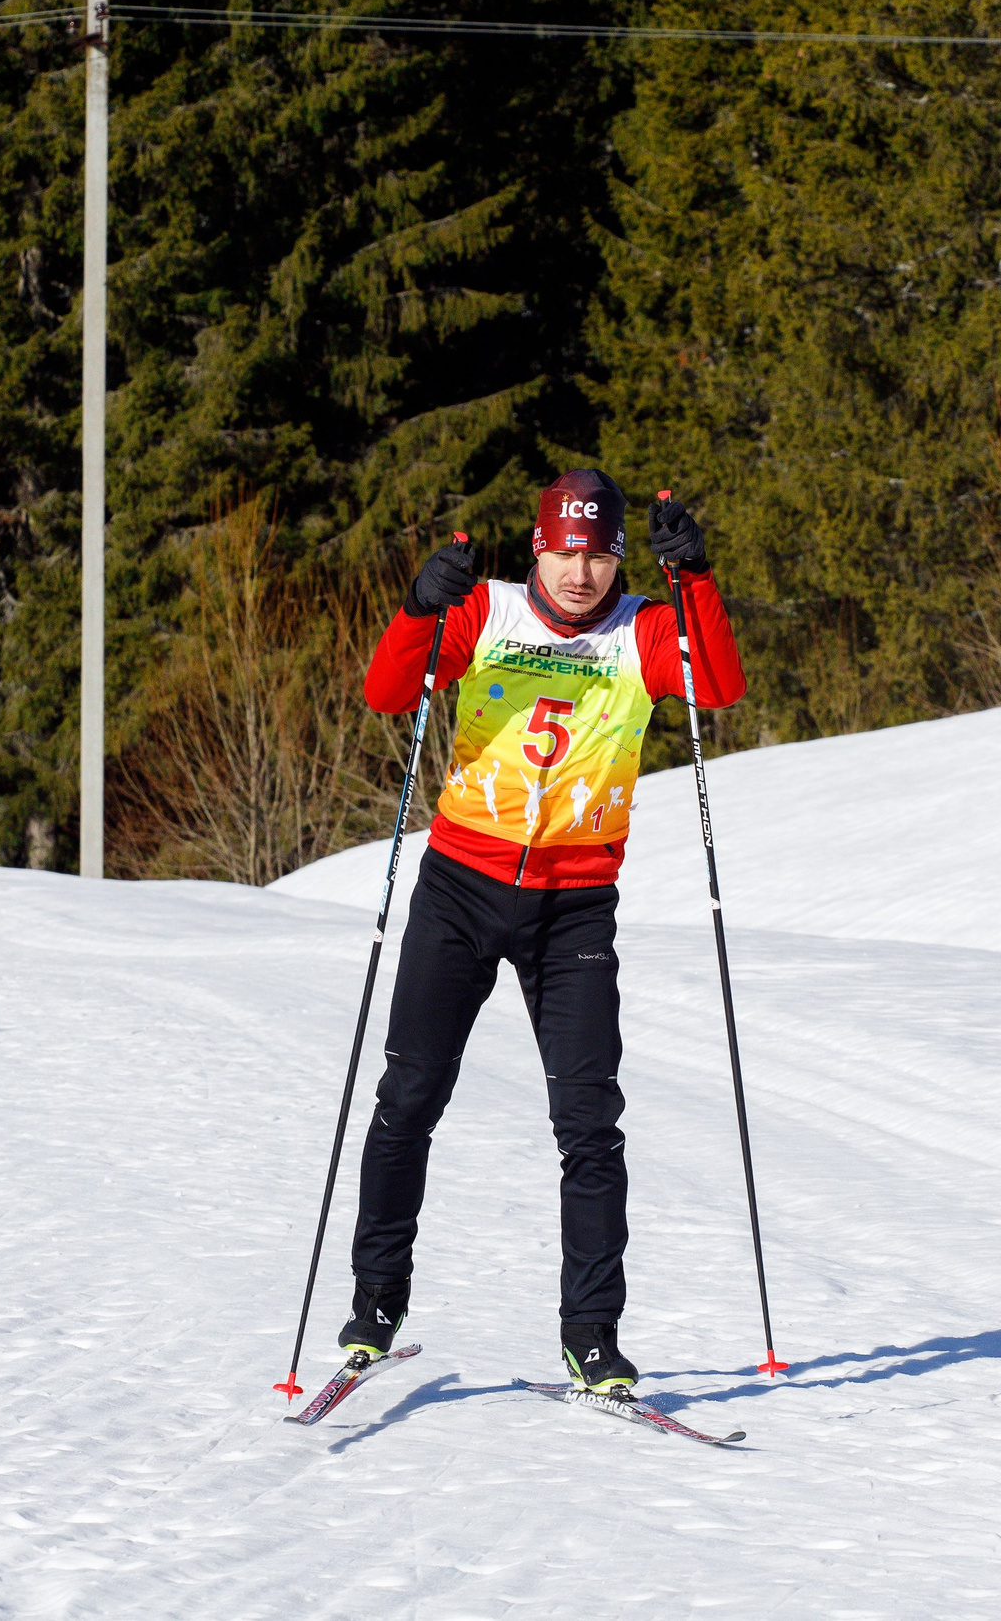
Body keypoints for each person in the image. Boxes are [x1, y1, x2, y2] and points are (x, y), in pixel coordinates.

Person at [340, 470, 746, 1395]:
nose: (581, 572)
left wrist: (698, 580)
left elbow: (716, 686)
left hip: (574, 905)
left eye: (600, 553)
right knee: (408, 1098)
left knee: (590, 1127)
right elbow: (385, 693)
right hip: (460, 885)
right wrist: (417, 608)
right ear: (538, 547)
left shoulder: (642, 626)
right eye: (566, 551)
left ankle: (592, 1336)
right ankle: (376, 1300)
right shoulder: (484, 611)